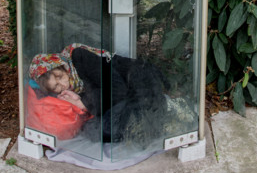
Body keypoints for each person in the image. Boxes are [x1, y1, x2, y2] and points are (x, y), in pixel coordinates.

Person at [29, 43, 169, 144]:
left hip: (140, 83)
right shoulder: (74, 84)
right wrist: (81, 99)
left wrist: (82, 102)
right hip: (124, 93)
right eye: (56, 87)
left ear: (63, 66)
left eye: (60, 76)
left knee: (106, 130)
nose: (63, 84)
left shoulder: (80, 57)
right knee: (92, 131)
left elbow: (117, 90)